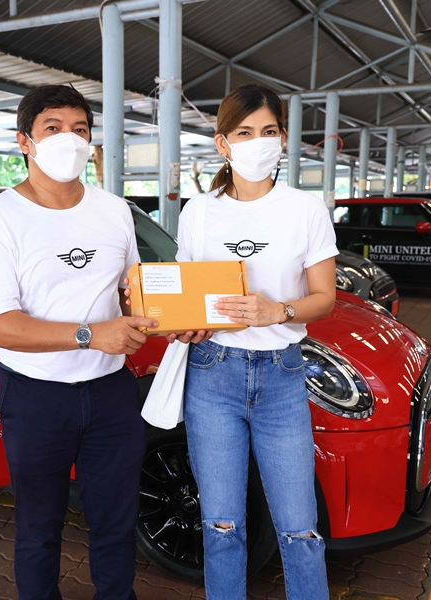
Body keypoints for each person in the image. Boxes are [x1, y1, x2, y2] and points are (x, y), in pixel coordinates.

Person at [0, 84, 156, 600]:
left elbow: (133, 290)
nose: (68, 139)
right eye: (53, 128)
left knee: (116, 521)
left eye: (79, 129)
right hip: (35, 394)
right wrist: (91, 335)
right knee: (39, 527)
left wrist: (173, 319)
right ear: (24, 141)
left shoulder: (115, 210)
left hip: (111, 390)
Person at [176, 84, 337, 600]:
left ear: (283, 139)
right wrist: (183, 322)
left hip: (282, 374)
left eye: (268, 131)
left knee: (300, 528)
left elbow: (325, 297)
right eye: (244, 132)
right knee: (221, 523)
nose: (257, 141)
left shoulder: (305, 209)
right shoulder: (198, 211)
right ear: (223, 143)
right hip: (212, 372)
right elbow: (184, 296)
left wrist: (278, 311)